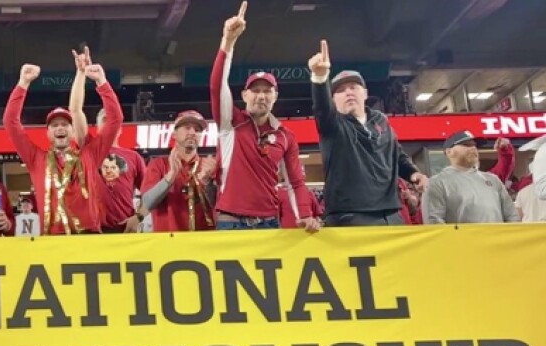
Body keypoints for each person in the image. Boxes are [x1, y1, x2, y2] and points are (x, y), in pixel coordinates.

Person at [211, 1, 319, 232]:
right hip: (230, 221)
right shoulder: (230, 123)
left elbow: (295, 182)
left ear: (275, 96)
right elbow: (217, 86)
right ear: (244, 95)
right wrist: (227, 42)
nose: (261, 96)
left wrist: (305, 215)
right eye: (255, 90)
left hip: (269, 222)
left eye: (267, 91)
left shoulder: (285, 136)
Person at [308, 40, 428, 226]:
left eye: (353, 88)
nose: (348, 93)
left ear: (365, 93)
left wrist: (414, 174)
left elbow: (396, 155)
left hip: (392, 215)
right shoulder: (333, 125)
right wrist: (320, 78)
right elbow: (321, 109)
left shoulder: (381, 121)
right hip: (350, 217)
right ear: (333, 99)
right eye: (340, 90)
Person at [3, 57, 123, 235]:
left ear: (73, 131)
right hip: (53, 242)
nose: (60, 128)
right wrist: (23, 83)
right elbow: (10, 122)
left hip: (89, 238)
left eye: (65, 125)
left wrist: (101, 81)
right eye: (54, 125)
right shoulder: (36, 158)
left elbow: (115, 119)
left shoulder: (90, 154)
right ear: (48, 133)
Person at [68, 48, 147, 234]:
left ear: (119, 128)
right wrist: (80, 74)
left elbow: (148, 192)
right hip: (93, 229)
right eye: (102, 120)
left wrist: (139, 217)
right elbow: (75, 110)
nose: (108, 123)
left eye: (110, 120)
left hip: (125, 228)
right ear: (95, 127)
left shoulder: (133, 157)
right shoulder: (89, 146)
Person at [140, 111, 218, 232]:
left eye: (197, 130)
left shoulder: (209, 166)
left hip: (204, 241)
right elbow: (146, 204)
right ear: (174, 134)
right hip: (169, 241)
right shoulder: (158, 164)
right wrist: (169, 178)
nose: (192, 133)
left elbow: (218, 207)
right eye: (187, 128)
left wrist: (208, 184)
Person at [422, 131, 519, 224]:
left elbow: (512, 215)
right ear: (449, 152)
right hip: (462, 240)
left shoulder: (493, 180)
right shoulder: (437, 183)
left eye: (474, 145)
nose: (473, 148)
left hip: (497, 240)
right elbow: (434, 221)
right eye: (466, 145)